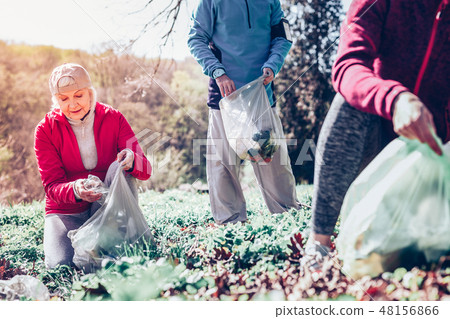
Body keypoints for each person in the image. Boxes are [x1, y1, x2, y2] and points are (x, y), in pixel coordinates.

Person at [303, 0, 450, 269]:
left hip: (432, 159)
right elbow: (348, 66)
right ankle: (319, 243)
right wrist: (395, 100)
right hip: (372, 144)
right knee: (348, 104)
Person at [188, 0, 300, 224]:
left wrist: (273, 64)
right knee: (222, 162)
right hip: (225, 95)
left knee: (273, 159)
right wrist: (218, 73)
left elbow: (282, 37)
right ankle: (230, 222)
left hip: (261, 91)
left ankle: (287, 215)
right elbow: (196, 39)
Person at [34, 63, 152, 268]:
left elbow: (146, 170)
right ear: (56, 101)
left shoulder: (114, 118)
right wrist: (75, 189)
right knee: (60, 264)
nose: (72, 104)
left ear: (90, 93)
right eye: (64, 99)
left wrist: (132, 159)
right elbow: (51, 186)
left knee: (120, 167)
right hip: (67, 211)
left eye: (78, 95)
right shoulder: (45, 130)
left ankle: (124, 234)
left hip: (106, 207)